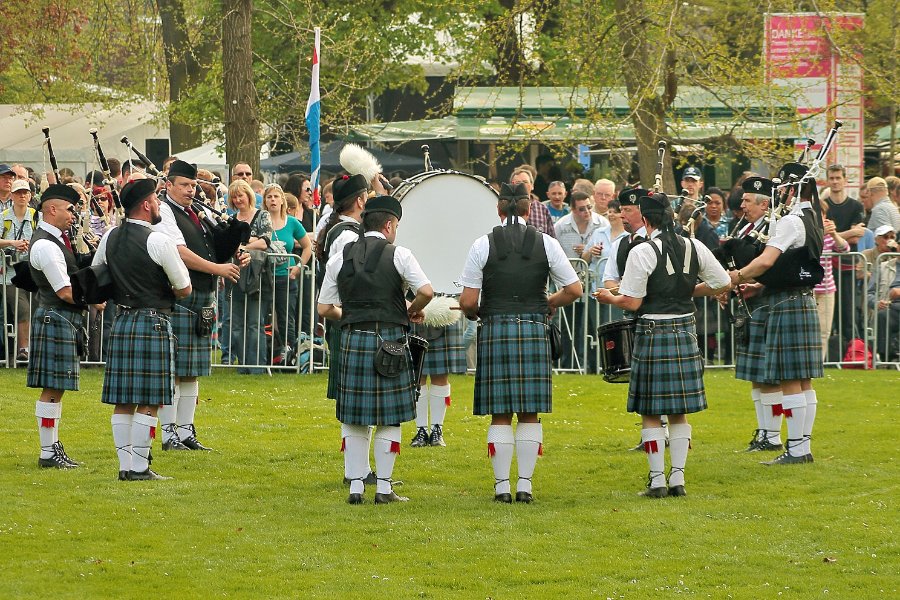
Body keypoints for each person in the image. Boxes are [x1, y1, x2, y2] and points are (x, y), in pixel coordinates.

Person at [594, 192, 731, 497]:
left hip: (653, 331)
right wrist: (688, 290)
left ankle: (657, 481)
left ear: (645, 220)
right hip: (684, 331)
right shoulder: (694, 246)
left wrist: (609, 298)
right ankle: (678, 480)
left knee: (651, 412)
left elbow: (631, 302)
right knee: (679, 411)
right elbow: (723, 282)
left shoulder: (642, 251)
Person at [459, 183, 582, 504]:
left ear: (499, 209)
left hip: (496, 329)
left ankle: (502, 487)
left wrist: (476, 313)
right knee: (529, 412)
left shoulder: (481, 244)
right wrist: (548, 302)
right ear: (529, 209)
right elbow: (574, 289)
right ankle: (525, 486)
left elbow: (468, 301)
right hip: (533, 329)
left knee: (499, 413)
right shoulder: (547, 243)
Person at [317, 195, 434, 504]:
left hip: (353, 340)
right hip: (390, 341)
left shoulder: (340, 257)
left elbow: (324, 308)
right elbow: (426, 291)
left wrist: (352, 315)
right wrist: (409, 310)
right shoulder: (400, 254)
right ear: (389, 225)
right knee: (389, 417)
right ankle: (383, 488)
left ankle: (356, 487)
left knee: (354, 417)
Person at [93, 179, 192, 480]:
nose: (159, 204)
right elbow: (184, 287)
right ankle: (139, 467)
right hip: (152, 322)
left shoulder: (109, 237)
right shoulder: (159, 241)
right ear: (146, 205)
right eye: (156, 200)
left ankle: (126, 467)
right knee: (150, 400)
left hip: (122, 320)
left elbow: (97, 274)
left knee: (123, 400)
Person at [728, 166, 825, 465]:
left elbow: (766, 261)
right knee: (803, 381)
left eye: (781, 187)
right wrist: (758, 286)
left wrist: (736, 277)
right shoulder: (812, 218)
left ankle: (797, 449)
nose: (777, 193)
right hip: (802, 299)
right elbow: (793, 266)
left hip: (786, 304)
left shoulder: (790, 221)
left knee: (790, 380)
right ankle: (801, 446)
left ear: (792, 189)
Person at [156, 160, 243, 451]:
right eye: (184, 185)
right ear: (169, 185)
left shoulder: (197, 211)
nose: (190, 190)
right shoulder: (165, 212)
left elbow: (214, 246)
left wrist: (235, 255)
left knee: (192, 369)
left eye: (193, 185)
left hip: (202, 297)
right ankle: (168, 433)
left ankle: (185, 431)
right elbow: (178, 252)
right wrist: (218, 269)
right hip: (180, 297)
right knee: (173, 368)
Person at [26, 184, 87, 469]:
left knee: (56, 388)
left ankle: (52, 447)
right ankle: (48, 451)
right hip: (56, 317)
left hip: (59, 319)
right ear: (52, 209)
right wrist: (92, 300)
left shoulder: (56, 241)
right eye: (69, 209)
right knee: (52, 388)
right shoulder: (46, 245)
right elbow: (64, 291)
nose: (73, 215)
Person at [728, 178, 783, 453]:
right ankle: (763, 431)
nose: (742, 206)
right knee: (756, 374)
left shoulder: (774, 228)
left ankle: (773, 436)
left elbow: (774, 266)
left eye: (747, 200)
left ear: (764, 204)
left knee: (768, 374)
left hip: (765, 303)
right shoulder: (747, 228)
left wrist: (756, 284)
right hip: (749, 304)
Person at [227, 179, 273, 373]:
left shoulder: (263, 215)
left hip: (257, 275)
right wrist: (250, 241)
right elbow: (228, 243)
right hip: (236, 273)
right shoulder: (231, 219)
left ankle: (256, 366)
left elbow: (265, 241)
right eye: (234, 197)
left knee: (255, 322)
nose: (238, 200)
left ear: (249, 196)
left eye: (241, 195)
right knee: (237, 323)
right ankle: (242, 365)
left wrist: (243, 245)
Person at [265, 183, 312, 363]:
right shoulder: (260, 220)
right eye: (269, 197)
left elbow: (307, 247)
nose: (273, 200)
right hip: (264, 277)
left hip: (286, 277)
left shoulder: (292, 222)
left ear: (282, 200)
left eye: (276, 196)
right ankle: (265, 354)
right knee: (263, 317)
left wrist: (299, 267)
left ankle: (290, 356)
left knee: (286, 318)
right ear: (265, 201)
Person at [409, 312, 467, 448]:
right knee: (417, 376)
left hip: (445, 312)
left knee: (441, 375)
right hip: (414, 310)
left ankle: (437, 431)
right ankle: (421, 431)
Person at [824, 164, 866, 350]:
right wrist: (848, 232)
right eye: (831, 178)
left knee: (848, 312)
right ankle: (831, 354)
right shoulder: (823, 206)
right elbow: (822, 234)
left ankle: (851, 353)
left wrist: (834, 234)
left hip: (848, 265)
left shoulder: (856, 206)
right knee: (828, 314)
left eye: (838, 178)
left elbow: (857, 237)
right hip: (826, 267)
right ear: (827, 180)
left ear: (845, 180)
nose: (835, 182)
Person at [2, 179, 38, 362]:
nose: (22, 196)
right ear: (12, 196)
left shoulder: (36, 216)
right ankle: (23, 350)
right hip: (11, 274)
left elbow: (45, 237)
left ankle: (33, 349)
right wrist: (12, 243)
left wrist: (32, 245)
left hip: (33, 271)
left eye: (25, 192)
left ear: (30, 196)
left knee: (35, 311)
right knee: (22, 309)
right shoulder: (3, 217)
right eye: (18, 192)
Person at [510, 168, 556, 239]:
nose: (522, 185)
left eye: (525, 182)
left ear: (532, 186)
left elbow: (552, 239)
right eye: (518, 183)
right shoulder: (506, 208)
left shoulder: (543, 209)